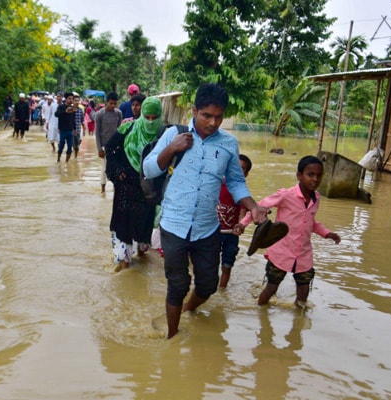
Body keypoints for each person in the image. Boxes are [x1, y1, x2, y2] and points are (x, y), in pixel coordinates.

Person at [142, 83, 268, 339]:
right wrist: (172, 148)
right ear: (194, 110)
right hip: (174, 224)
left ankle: (188, 309)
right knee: (177, 284)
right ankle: (172, 337)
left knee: (209, 284)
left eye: (219, 117)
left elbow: (235, 182)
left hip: (206, 227)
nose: (213, 122)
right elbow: (148, 169)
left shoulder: (229, 144)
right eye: (206, 115)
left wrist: (253, 207)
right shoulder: (173, 134)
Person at [240, 155, 342, 308]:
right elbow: (258, 207)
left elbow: (310, 223)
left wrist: (327, 233)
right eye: (310, 174)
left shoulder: (316, 198)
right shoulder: (286, 195)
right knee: (271, 287)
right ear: (299, 175)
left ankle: (298, 325)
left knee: (303, 291)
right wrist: (242, 224)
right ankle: (260, 312)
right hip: (281, 252)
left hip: (303, 255)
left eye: (319, 175)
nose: (315, 179)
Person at [105, 97, 163, 272]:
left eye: (154, 117)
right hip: (126, 187)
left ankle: (141, 253)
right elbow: (110, 148)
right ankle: (124, 263)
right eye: (147, 117)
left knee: (144, 224)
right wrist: (116, 171)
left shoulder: (164, 134)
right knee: (124, 224)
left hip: (148, 189)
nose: (150, 122)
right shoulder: (127, 128)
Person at [217, 154, 253, 288]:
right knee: (209, 263)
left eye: (241, 169)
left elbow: (243, 213)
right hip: (212, 232)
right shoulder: (216, 185)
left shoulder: (242, 192)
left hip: (231, 235)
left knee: (227, 265)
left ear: (246, 174)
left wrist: (240, 226)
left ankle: (221, 290)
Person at [94, 92, 123, 193]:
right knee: (104, 168)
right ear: (107, 102)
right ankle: (103, 190)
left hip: (116, 145)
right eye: (111, 103)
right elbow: (97, 132)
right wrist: (99, 149)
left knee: (117, 167)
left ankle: (116, 189)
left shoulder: (118, 113)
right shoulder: (100, 114)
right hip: (104, 145)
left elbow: (120, 130)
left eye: (115, 104)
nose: (113, 106)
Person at [55, 92, 76, 163]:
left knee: (70, 147)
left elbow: (73, 119)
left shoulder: (73, 108)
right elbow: (56, 114)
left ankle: (67, 162)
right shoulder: (61, 107)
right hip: (63, 130)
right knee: (61, 146)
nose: (71, 100)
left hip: (70, 130)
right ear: (66, 99)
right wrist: (65, 112)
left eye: (72, 99)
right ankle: (58, 159)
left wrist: (75, 129)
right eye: (69, 99)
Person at [73, 94, 85, 159]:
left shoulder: (80, 110)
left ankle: (75, 156)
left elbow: (82, 120)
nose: (77, 102)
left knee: (77, 146)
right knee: (72, 144)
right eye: (75, 100)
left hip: (78, 129)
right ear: (73, 101)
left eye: (78, 100)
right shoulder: (70, 109)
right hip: (71, 130)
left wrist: (84, 129)